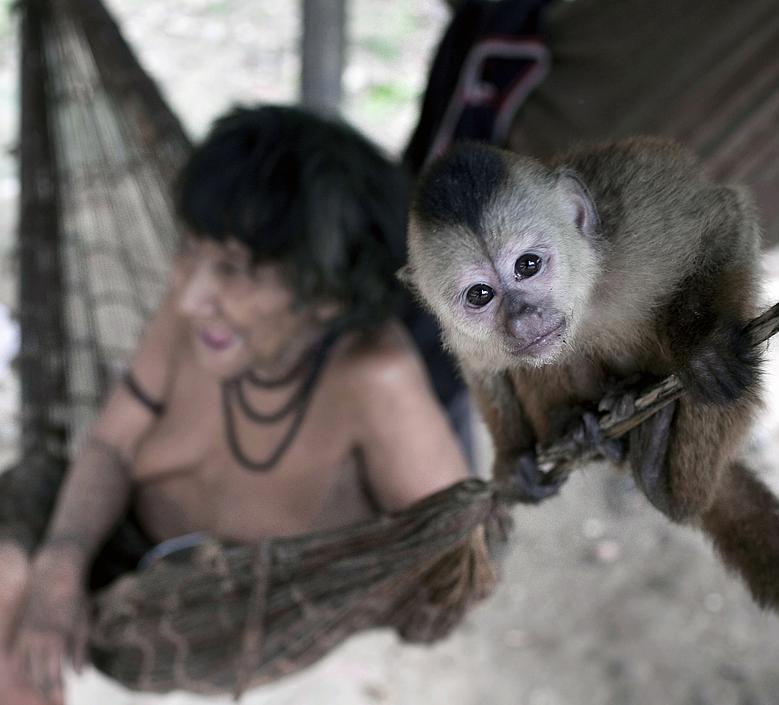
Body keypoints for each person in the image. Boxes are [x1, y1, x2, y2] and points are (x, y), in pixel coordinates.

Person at [0, 105, 469, 705]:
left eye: (235, 271)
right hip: (118, 539)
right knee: (12, 587)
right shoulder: (198, 314)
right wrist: (62, 561)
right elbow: (113, 442)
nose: (192, 296)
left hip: (234, 612)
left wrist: (342, 602)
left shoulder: (376, 382)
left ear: (323, 293)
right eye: (191, 251)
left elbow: (449, 555)